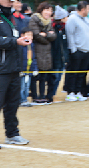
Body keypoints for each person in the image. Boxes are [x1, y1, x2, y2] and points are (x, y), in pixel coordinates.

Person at [0, 0, 32, 145]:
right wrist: (15, 41)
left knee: (13, 103)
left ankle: (12, 134)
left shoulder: (12, 16)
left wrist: (23, 39)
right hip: (1, 69)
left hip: (14, 67)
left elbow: (13, 38)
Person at [65, 1, 89, 101]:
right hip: (77, 50)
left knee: (82, 73)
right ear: (83, 9)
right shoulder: (72, 19)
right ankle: (70, 92)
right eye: (88, 8)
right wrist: (73, 50)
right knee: (73, 72)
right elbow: (70, 34)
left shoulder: (87, 19)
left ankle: (78, 91)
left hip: (87, 50)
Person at [28, 2, 56, 103]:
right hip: (36, 51)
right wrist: (47, 37)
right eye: (47, 10)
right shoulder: (34, 19)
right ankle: (35, 96)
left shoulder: (49, 21)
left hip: (46, 53)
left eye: (50, 10)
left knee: (44, 76)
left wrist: (45, 35)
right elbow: (36, 35)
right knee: (35, 76)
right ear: (41, 10)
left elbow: (54, 36)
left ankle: (42, 96)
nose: (49, 12)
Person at [51, 5, 69, 102]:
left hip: (62, 58)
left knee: (59, 77)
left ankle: (53, 94)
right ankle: (50, 95)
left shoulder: (64, 29)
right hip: (55, 57)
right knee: (54, 77)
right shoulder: (54, 29)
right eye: (66, 17)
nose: (68, 19)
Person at [20, 27, 38, 107]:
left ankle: (25, 99)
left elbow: (33, 58)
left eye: (31, 35)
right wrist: (19, 69)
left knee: (27, 87)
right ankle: (21, 100)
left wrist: (35, 69)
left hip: (29, 70)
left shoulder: (31, 46)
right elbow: (18, 58)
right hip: (22, 70)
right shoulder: (20, 45)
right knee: (22, 87)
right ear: (22, 35)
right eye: (27, 35)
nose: (30, 36)